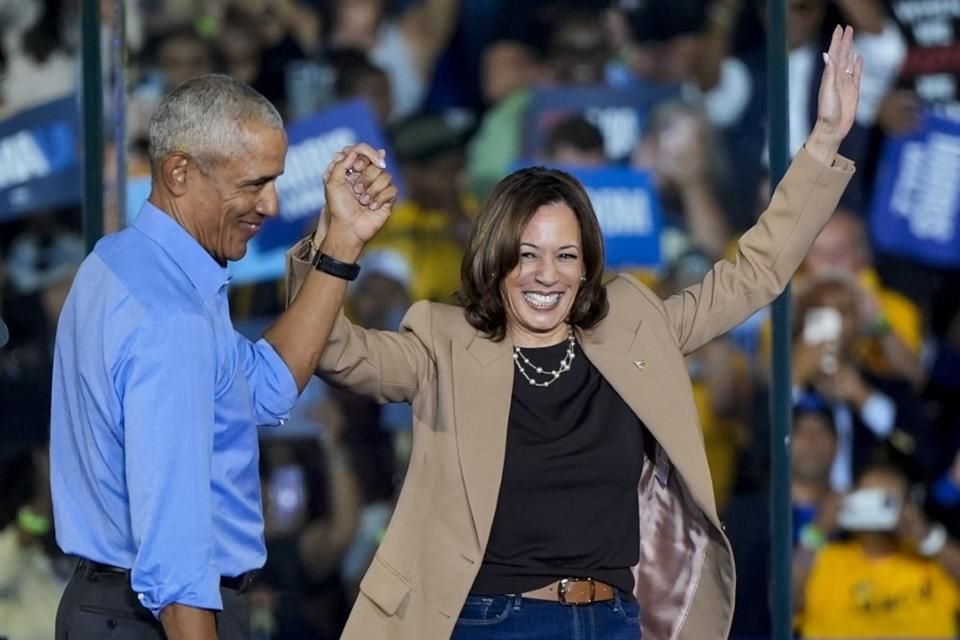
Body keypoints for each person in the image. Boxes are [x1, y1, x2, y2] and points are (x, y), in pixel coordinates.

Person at [286, 25, 862, 640]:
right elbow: (333, 349)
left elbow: (756, 271)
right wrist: (336, 241)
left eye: (566, 255)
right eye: (527, 254)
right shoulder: (442, 342)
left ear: (588, 264)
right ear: (494, 258)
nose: (546, 275)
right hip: (489, 621)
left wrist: (825, 139)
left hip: (614, 619)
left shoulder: (634, 329)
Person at [50, 74, 397, 640]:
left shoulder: (121, 263)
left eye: (275, 182)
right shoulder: (170, 318)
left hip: (115, 609)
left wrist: (341, 244)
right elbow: (176, 550)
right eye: (254, 184)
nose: (272, 203)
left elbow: (264, 388)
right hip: (162, 618)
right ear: (180, 172)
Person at [797, 462, 960, 639]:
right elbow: (782, 603)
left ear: (908, 504)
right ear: (852, 500)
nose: (876, 509)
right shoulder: (825, 559)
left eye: (888, 501)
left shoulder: (933, 561)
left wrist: (926, 536)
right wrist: (818, 530)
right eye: (869, 498)